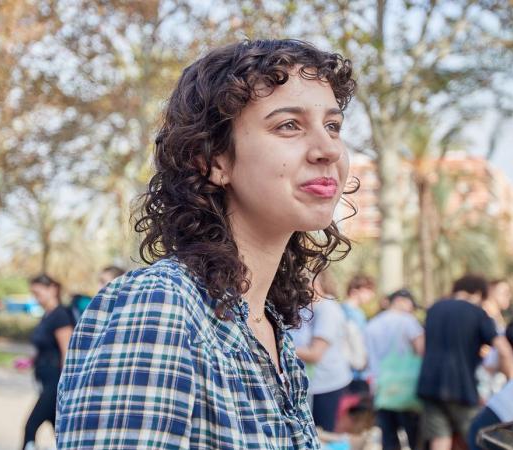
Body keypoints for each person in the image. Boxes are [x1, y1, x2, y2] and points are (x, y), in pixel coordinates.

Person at [56, 39, 356, 450]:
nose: (328, 150)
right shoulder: (161, 305)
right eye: (289, 125)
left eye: (333, 126)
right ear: (213, 160)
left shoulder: (272, 331)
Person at [417, 274, 513, 450]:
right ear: (478, 293)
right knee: (476, 439)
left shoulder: (434, 309)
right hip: (461, 387)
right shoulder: (478, 313)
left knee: (439, 438)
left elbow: (423, 347)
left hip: (429, 385)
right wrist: (512, 380)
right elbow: (503, 349)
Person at [293, 270, 353, 432]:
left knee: (323, 435)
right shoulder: (309, 310)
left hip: (327, 384)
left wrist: (282, 347)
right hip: (317, 383)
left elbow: (315, 354)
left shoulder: (328, 309)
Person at [365, 289, 424, 450]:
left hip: (380, 390)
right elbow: (421, 350)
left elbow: (367, 357)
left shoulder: (372, 324)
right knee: (414, 440)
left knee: (389, 440)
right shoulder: (408, 321)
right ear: (400, 301)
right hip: (406, 390)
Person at [23, 274, 74, 450]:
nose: (36, 298)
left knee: (30, 426)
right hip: (45, 380)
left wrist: (64, 386)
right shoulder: (47, 315)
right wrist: (30, 361)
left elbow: (66, 351)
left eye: (38, 293)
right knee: (59, 432)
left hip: (55, 381)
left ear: (52, 289)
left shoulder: (60, 315)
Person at [342, 274, 375, 391]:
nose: (371, 295)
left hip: (359, 372)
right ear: (355, 291)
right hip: (350, 373)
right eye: (368, 290)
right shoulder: (345, 312)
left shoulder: (358, 312)